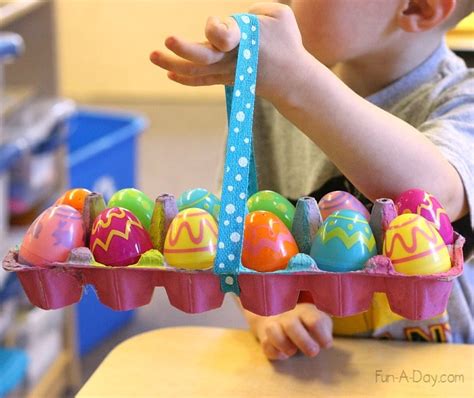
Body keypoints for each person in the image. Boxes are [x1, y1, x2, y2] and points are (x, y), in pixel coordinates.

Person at [150, 0, 474, 360]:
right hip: (311, 363)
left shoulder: (463, 102)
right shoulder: (275, 97)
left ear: (418, 8)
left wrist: (298, 82)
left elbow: (433, 196)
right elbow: (238, 234)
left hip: (437, 367)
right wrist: (264, 311)